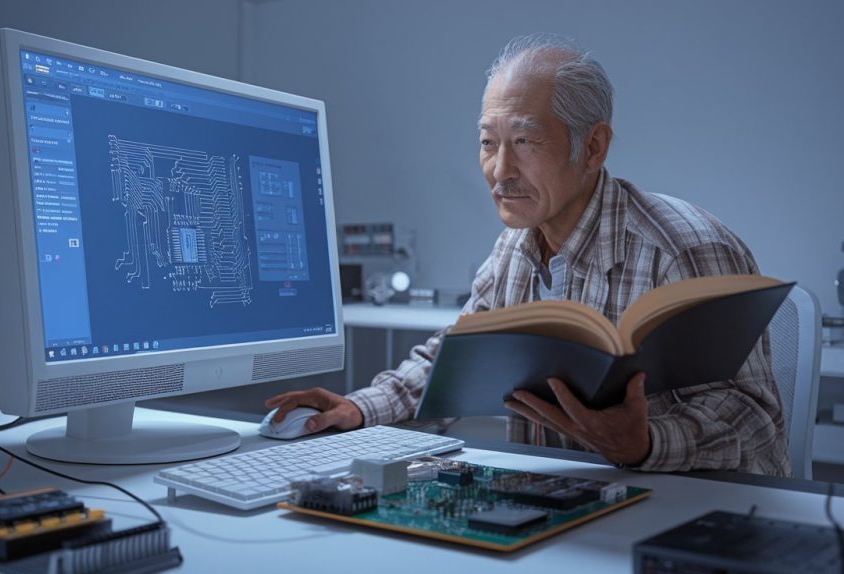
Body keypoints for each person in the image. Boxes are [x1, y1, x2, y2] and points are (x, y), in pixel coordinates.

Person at [266, 33, 791, 476]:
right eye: (488, 143)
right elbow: (452, 362)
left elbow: (754, 417)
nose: (499, 171)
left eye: (523, 141)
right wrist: (357, 408)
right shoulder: (514, 249)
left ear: (593, 148)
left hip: (690, 517)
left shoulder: (685, 247)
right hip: (568, 506)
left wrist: (647, 443)